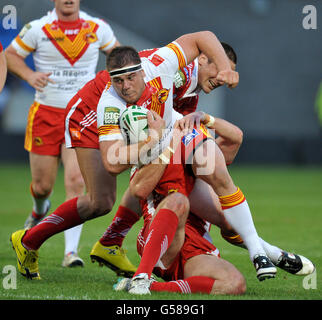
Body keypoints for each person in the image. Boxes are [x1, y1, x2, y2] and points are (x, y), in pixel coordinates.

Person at [5, 0, 119, 267]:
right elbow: (10, 55)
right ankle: (38, 210)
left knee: (76, 181)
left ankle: (71, 253)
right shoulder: (38, 28)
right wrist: (29, 75)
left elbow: (119, 57)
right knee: (42, 185)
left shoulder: (97, 28)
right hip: (46, 112)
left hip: (80, 116)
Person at [113, 122, 246, 295]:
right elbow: (138, 190)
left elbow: (235, 137)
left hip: (196, 247)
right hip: (161, 239)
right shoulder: (157, 154)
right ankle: (141, 276)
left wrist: (207, 118)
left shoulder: (206, 160)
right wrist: (170, 144)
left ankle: (149, 287)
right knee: (178, 200)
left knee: (235, 283)